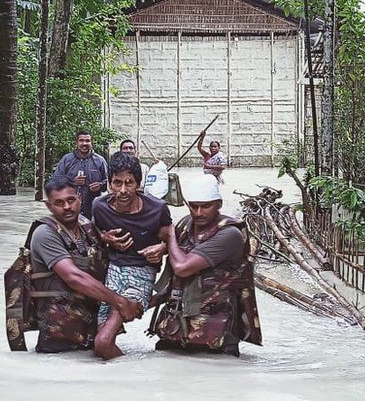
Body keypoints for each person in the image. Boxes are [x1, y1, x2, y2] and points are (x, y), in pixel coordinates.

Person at [22, 177, 143, 353]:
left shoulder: (88, 227)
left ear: (79, 198)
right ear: (49, 206)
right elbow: (74, 277)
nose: (67, 207)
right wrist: (121, 302)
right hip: (58, 341)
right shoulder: (44, 234)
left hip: (91, 334)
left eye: (71, 200)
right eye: (59, 203)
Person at [149, 175, 262, 356]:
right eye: (193, 206)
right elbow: (177, 282)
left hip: (215, 336)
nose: (198, 212)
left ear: (219, 204)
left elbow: (182, 267)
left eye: (206, 206)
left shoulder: (230, 234)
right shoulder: (185, 225)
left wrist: (169, 236)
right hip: (176, 331)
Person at [91, 152, 170, 359]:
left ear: (139, 183)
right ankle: (127, 371)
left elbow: (175, 238)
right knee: (100, 337)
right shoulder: (99, 207)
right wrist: (104, 237)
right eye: (117, 183)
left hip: (142, 273)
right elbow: (90, 235)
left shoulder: (157, 208)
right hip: (113, 271)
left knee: (102, 342)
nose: (123, 190)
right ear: (109, 184)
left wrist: (162, 249)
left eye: (129, 183)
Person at [54, 130, 108, 218]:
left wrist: (101, 185)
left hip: (93, 209)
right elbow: (55, 181)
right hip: (69, 208)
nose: (84, 143)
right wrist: (72, 182)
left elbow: (110, 182)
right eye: (81, 140)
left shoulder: (100, 161)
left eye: (87, 141)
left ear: (92, 143)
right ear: (76, 142)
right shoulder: (67, 160)